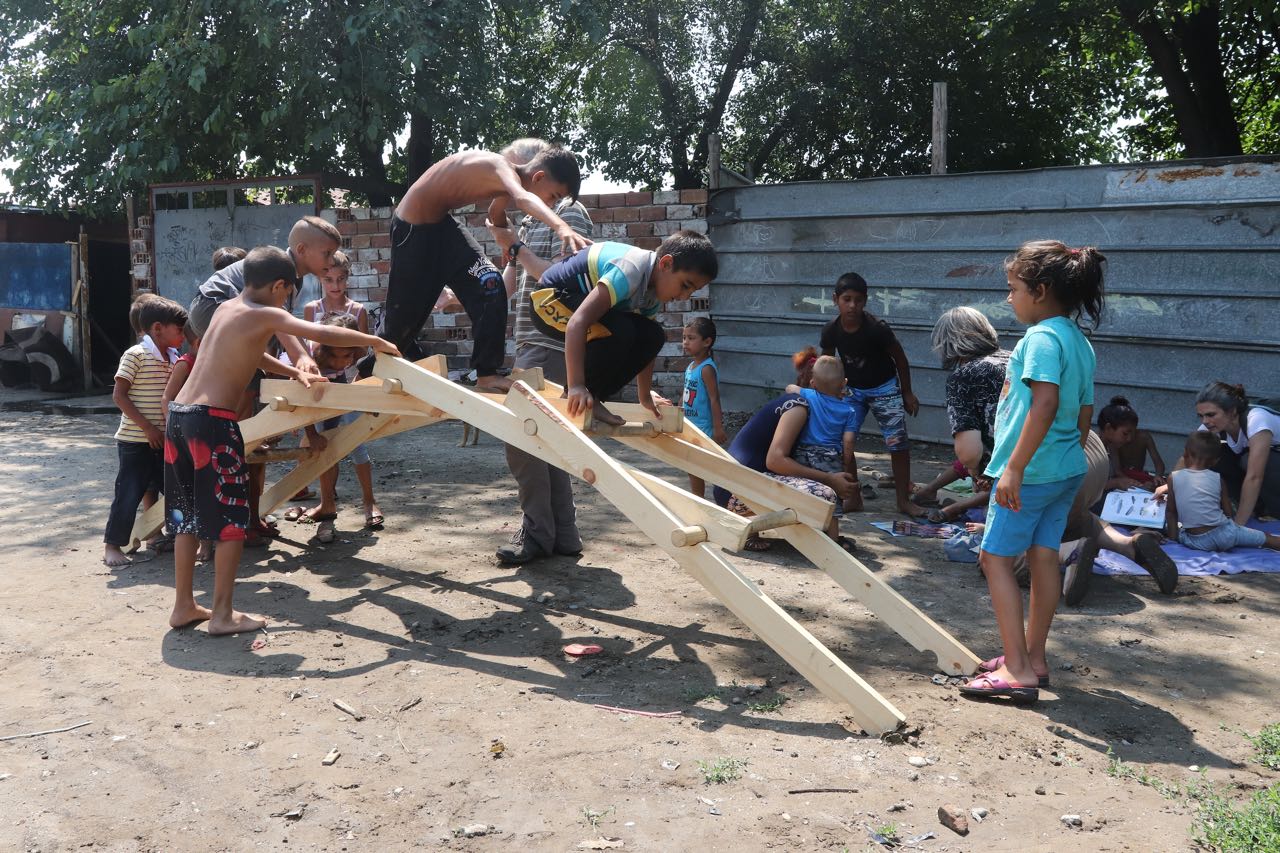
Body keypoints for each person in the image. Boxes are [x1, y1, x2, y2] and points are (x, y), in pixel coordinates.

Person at [165, 246, 399, 634]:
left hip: (180, 417)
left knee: (185, 518)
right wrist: (376, 343)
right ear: (280, 287)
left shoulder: (225, 310)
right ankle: (222, 614)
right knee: (230, 522)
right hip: (212, 423)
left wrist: (294, 374)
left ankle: (184, 606)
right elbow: (321, 331)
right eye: (288, 293)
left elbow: (252, 356)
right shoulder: (266, 313)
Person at [960, 240, 1104, 703]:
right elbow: (1084, 412)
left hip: (1032, 472)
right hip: (1064, 470)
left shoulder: (1040, 339)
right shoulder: (1079, 342)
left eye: (1013, 288)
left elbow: (1044, 403)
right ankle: (1034, 659)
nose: (1009, 298)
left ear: (1040, 290)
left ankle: (1017, 669)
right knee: (1044, 556)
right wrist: (1068, 458)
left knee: (995, 560)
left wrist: (1014, 468)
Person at [372, 145, 592, 393]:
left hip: (442, 228)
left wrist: (506, 240)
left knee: (491, 284)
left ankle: (487, 373)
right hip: (413, 227)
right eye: (553, 196)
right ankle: (367, 369)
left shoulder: (507, 182)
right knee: (403, 320)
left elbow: (495, 212)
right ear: (538, 177)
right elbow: (522, 199)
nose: (551, 204)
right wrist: (562, 227)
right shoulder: (501, 169)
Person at [486, 176, 594, 565]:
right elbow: (513, 275)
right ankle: (562, 533)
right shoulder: (536, 222)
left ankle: (537, 534)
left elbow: (562, 279)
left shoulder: (571, 215)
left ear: (542, 178)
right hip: (535, 343)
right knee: (545, 441)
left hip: (551, 344)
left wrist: (515, 246)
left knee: (522, 439)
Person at [530, 232, 718, 427]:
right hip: (547, 300)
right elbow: (577, 323)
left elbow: (646, 345)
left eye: (692, 291)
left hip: (577, 309)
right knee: (621, 330)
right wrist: (576, 386)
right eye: (685, 285)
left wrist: (644, 396)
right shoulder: (631, 270)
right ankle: (584, 394)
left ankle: (595, 396)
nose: (685, 296)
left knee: (653, 335)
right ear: (666, 264)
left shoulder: (651, 292)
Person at [820, 272, 924, 517]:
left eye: (858, 300)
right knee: (843, 444)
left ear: (865, 301)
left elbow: (900, 359)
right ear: (836, 299)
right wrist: (825, 395)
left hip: (885, 388)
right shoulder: (831, 330)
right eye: (847, 299)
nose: (852, 305)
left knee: (898, 444)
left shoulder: (877, 329)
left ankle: (903, 501)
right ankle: (853, 497)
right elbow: (826, 363)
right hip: (851, 390)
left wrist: (907, 392)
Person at [103, 296, 188, 567]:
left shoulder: (175, 359)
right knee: (128, 493)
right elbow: (119, 396)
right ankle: (112, 546)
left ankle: (175, 535)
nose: (183, 335)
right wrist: (148, 428)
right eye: (179, 329)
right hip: (136, 440)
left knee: (176, 492)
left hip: (164, 441)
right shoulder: (135, 355)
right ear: (158, 328)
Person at [290, 314, 384, 543]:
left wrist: (364, 404)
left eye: (348, 356)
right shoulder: (309, 358)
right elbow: (302, 402)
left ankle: (369, 501)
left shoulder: (349, 361)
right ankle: (327, 503)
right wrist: (311, 434)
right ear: (324, 349)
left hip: (337, 387)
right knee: (324, 448)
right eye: (336, 356)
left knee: (356, 443)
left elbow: (355, 381)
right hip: (310, 394)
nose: (342, 361)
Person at [916, 306, 1011, 523]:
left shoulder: (964, 376)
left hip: (1017, 472)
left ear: (946, 343)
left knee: (999, 550)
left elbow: (968, 452)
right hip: (1056, 460)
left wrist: (976, 473)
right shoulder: (1013, 358)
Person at [1166, 431, 1280, 552]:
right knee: (1265, 539)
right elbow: (1228, 512)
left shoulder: (1173, 478)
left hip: (1196, 541)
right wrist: (1234, 528)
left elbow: (1171, 512)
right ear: (1216, 461)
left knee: (1172, 528)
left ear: (1185, 453)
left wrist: (1173, 539)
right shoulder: (1218, 479)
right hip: (1226, 535)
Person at [1191, 382, 1280, 524]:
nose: (1205, 421)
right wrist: (1170, 485)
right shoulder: (1211, 425)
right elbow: (1190, 456)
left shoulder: (1257, 419)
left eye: (1211, 415)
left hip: (1273, 467)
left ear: (1232, 411)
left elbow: (1254, 477)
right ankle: (1253, 509)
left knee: (1248, 460)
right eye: (1201, 416)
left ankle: (1274, 512)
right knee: (1212, 455)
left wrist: (1238, 527)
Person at [681, 317, 726, 497]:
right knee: (692, 466)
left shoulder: (707, 369)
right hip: (690, 426)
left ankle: (715, 498)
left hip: (704, 429)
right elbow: (685, 393)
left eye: (691, 338)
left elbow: (714, 399)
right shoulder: (691, 366)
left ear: (707, 342)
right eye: (684, 337)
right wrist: (677, 414)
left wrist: (718, 428)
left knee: (703, 466)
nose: (685, 342)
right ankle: (697, 498)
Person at [1097, 396, 1165, 490]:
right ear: (1108, 428)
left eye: (1132, 432)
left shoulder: (1143, 437)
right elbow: (1089, 488)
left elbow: (1159, 464)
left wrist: (1158, 477)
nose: (1129, 439)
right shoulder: (1097, 449)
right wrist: (1120, 483)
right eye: (1125, 433)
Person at [304, 250, 369, 336]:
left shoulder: (358, 310)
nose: (335, 286)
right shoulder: (312, 309)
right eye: (328, 280)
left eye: (340, 279)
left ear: (347, 277)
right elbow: (308, 345)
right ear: (319, 278)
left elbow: (364, 347)